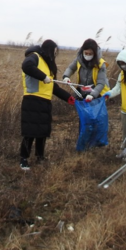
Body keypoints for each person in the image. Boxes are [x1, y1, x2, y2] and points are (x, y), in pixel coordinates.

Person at [20, 39, 75, 170]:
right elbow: (27, 66)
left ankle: (40, 157)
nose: (54, 55)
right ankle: (23, 159)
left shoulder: (49, 65)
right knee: (30, 132)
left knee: (43, 132)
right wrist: (43, 77)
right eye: (53, 51)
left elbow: (53, 87)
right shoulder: (35, 57)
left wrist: (68, 98)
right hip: (32, 101)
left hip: (45, 102)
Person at [102, 49, 126, 160]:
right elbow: (117, 89)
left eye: (124, 63)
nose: (122, 66)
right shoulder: (122, 75)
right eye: (120, 64)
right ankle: (125, 151)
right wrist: (108, 94)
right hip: (125, 109)